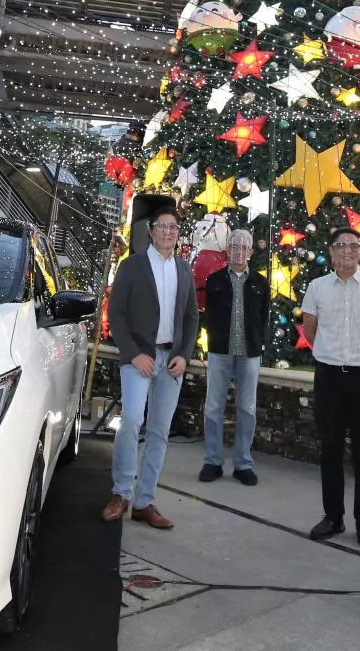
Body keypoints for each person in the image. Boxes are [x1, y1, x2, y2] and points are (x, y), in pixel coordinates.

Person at [103, 205, 199, 530]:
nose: (167, 232)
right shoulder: (132, 267)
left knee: (159, 431)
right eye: (162, 226)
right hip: (138, 358)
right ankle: (121, 494)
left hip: (171, 362)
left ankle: (144, 502)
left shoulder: (184, 270)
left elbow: (190, 317)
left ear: (177, 234)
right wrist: (134, 354)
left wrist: (184, 355)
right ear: (151, 230)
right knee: (130, 420)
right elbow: (116, 315)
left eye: (173, 228)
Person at [301, 227, 360, 549]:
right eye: (341, 246)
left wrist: (359, 354)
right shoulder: (317, 288)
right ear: (331, 251)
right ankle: (333, 517)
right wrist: (333, 354)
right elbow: (310, 331)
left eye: (353, 246)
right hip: (329, 377)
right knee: (330, 448)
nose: (347, 252)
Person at [200, 228, 269, 485]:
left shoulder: (260, 283)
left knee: (247, 409)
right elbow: (208, 315)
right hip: (220, 352)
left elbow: (264, 317)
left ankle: (243, 464)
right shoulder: (215, 280)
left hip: (249, 355)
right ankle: (213, 462)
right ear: (227, 250)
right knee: (213, 407)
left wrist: (259, 343)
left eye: (244, 247)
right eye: (234, 246)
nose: (238, 251)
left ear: (250, 252)